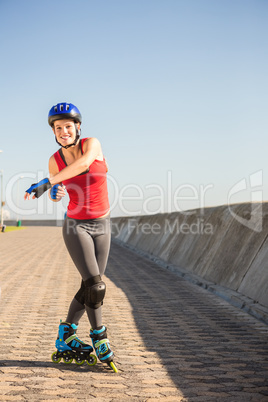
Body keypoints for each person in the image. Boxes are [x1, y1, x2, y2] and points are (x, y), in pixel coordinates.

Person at [24, 102, 117, 372]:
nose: (63, 131)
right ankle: (99, 336)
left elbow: (85, 165)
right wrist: (55, 190)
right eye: (58, 128)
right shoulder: (55, 160)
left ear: (78, 127)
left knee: (91, 285)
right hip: (76, 225)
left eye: (68, 126)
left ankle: (66, 334)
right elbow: (58, 187)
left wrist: (49, 183)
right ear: (53, 131)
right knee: (96, 286)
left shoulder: (92, 145)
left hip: (103, 224)